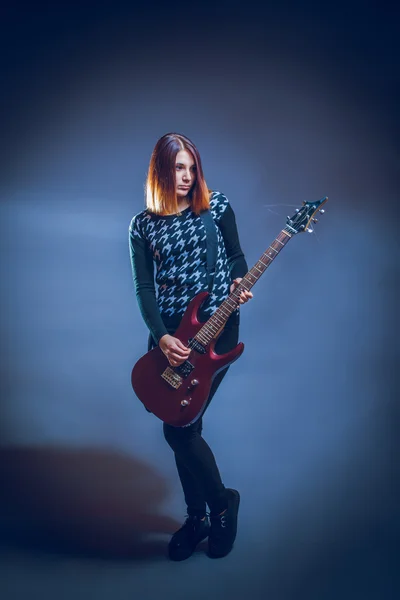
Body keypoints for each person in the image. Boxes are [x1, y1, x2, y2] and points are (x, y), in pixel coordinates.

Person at [129, 132, 253, 561]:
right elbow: (144, 287)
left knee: (180, 428)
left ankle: (216, 506)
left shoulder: (214, 206)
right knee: (181, 427)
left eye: (191, 166)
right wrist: (162, 337)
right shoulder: (142, 224)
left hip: (216, 332)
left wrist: (239, 280)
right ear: (161, 171)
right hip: (168, 339)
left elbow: (237, 257)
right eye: (177, 168)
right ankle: (202, 515)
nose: (186, 176)